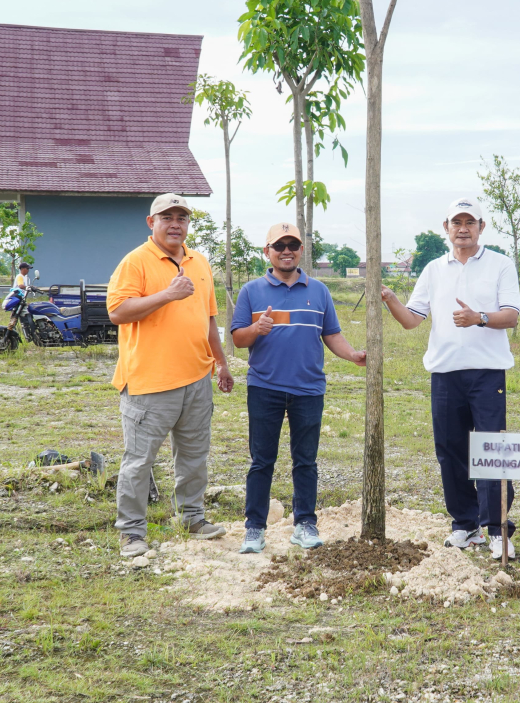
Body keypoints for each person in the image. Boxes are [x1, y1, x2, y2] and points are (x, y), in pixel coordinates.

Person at [381, 198, 520, 560]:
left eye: (469, 222)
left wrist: (480, 318)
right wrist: (392, 300)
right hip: (445, 373)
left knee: (492, 450)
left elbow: (510, 316)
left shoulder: (500, 264)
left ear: (481, 226)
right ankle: (464, 524)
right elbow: (413, 319)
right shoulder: (433, 269)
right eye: (456, 222)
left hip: (488, 371)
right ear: (446, 227)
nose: (463, 228)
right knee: (450, 450)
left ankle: (498, 530)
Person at [107, 194, 234, 557]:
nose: (175, 223)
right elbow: (117, 312)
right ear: (152, 222)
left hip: (196, 379)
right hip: (149, 383)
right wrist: (167, 294)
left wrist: (220, 362)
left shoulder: (200, 262)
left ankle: (192, 518)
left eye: (182, 216)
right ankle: (132, 533)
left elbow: (208, 319)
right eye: (167, 216)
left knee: (194, 456)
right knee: (139, 461)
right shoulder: (136, 262)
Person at [230, 222, 366, 554]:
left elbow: (331, 333)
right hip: (264, 388)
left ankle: (304, 523)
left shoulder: (318, 291)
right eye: (279, 245)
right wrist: (256, 329)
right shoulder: (251, 291)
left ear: (301, 251)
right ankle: (254, 528)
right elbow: (236, 337)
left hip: (309, 389)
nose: (287, 250)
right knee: (262, 460)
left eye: (293, 245)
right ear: (268, 252)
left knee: (305, 461)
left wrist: (353, 355)